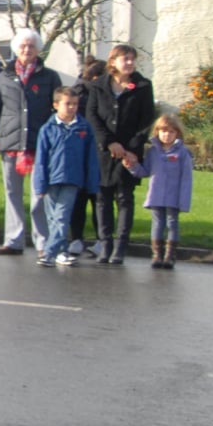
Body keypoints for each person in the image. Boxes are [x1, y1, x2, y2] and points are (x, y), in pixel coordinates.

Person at [0, 28, 62, 256]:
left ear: (38, 50)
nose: (27, 50)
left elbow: (56, 110)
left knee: (39, 194)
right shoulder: (4, 76)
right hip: (10, 142)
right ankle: (14, 239)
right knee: (12, 193)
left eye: (31, 46)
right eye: (23, 46)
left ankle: (42, 242)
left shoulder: (49, 77)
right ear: (16, 49)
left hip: (39, 143)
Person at [85, 45, 155, 265]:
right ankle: (104, 245)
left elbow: (146, 120)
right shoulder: (98, 86)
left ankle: (120, 247)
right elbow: (92, 116)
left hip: (129, 153)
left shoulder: (143, 86)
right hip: (104, 153)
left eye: (133, 59)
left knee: (124, 198)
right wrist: (108, 142)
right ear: (113, 61)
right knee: (102, 199)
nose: (130, 63)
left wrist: (131, 149)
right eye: (126, 59)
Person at [32, 87, 103, 267]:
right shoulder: (47, 129)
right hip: (51, 180)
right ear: (56, 105)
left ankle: (48, 254)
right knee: (53, 218)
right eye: (67, 104)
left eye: (75, 104)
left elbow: (91, 158)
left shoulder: (84, 127)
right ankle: (62, 251)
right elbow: (41, 159)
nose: (72, 107)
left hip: (72, 179)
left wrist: (92, 182)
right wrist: (40, 185)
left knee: (62, 217)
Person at [130, 112, 194, 270]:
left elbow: (187, 179)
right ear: (157, 132)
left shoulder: (182, 153)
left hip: (174, 195)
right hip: (156, 194)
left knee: (172, 223)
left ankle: (170, 255)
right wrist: (131, 166)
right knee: (157, 223)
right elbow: (144, 171)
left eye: (171, 132)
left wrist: (183, 200)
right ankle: (157, 255)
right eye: (163, 131)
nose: (167, 135)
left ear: (177, 134)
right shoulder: (153, 152)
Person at [64, 57, 105, 257]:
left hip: (95, 152)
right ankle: (79, 238)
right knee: (82, 198)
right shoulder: (81, 93)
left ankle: (97, 239)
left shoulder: (94, 91)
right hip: (83, 151)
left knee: (97, 198)